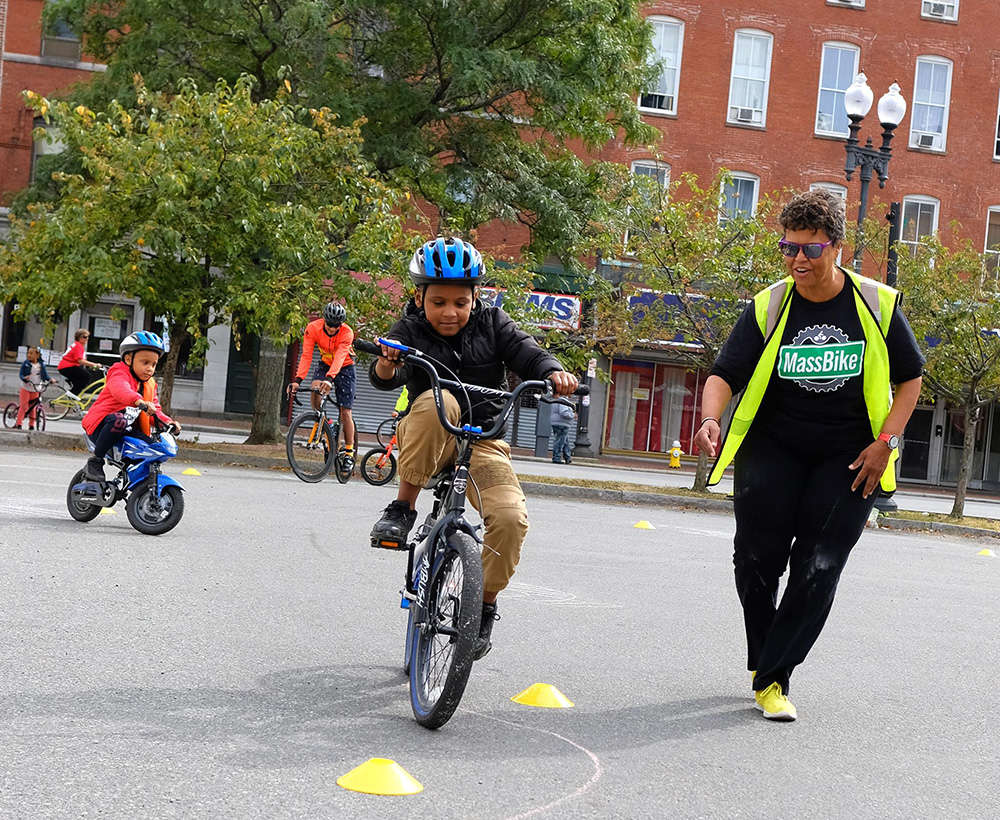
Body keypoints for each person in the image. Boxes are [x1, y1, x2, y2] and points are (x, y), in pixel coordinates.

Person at [695, 189, 924, 722]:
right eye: (788, 248)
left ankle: (774, 676)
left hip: (849, 456)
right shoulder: (770, 304)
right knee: (755, 561)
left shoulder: (877, 303)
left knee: (819, 566)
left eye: (811, 249)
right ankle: (763, 660)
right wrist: (710, 418)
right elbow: (724, 375)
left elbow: (910, 380)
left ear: (837, 247)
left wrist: (884, 443)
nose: (798, 259)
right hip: (772, 447)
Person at [368, 236, 579, 659]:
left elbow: (527, 352)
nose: (450, 312)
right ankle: (402, 509)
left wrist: (554, 371)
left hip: (483, 444)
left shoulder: (495, 323)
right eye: (439, 301)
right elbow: (384, 376)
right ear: (419, 296)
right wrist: (388, 362)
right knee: (438, 398)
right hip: (430, 436)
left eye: (460, 302)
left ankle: (482, 604)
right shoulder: (407, 330)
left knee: (510, 520)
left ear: (475, 297)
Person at [81, 331, 181, 481]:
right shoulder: (119, 372)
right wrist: (139, 401)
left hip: (126, 430)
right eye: (145, 363)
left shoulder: (149, 384)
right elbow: (120, 389)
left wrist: (168, 423)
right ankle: (95, 462)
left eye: (154, 364)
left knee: (152, 449)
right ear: (128, 359)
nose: (150, 369)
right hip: (101, 427)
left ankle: (141, 484)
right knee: (119, 420)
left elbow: (154, 410)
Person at [289, 302, 357, 470]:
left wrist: (330, 378)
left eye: (336, 326)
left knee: (345, 411)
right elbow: (306, 355)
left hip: (345, 367)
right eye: (329, 324)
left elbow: (341, 356)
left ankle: (349, 452)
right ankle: (325, 421)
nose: (333, 329)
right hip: (326, 363)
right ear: (324, 320)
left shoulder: (347, 332)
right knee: (315, 387)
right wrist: (298, 380)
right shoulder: (313, 328)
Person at [16, 346, 51, 430]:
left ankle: (31, 425)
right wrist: (24, 378)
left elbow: (45, 375)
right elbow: (21, 374)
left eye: (31, 353)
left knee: (33, 407)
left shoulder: (41, 365)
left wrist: (50, 380)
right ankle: (19, 423)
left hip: (36, 388)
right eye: (28, 353)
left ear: (37, 355)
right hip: (26, 388)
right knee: (24, 406)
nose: (29, 355)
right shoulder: (26, 363)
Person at [58, 329, 102, 395]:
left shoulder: (77, 345)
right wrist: (94, 364)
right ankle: (72, 394)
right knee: (86, 376)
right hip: (67, 367)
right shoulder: (78, 346)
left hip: (65, 367)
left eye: (88, 337)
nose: (87, 339)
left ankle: (72, 398)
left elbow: (80, 361)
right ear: (79, 337)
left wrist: (92, 366)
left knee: (79, 383)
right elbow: (80, 360)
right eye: (85, 337)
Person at [549, 398, 575, 464]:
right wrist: (573, 415)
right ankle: (556, 458)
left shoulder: (558, 399)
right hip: (562, 423)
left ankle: (568, 457)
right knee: (560, 441)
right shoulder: (563, 400)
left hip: (559, 423)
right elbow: (564, 412)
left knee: (565, 441)